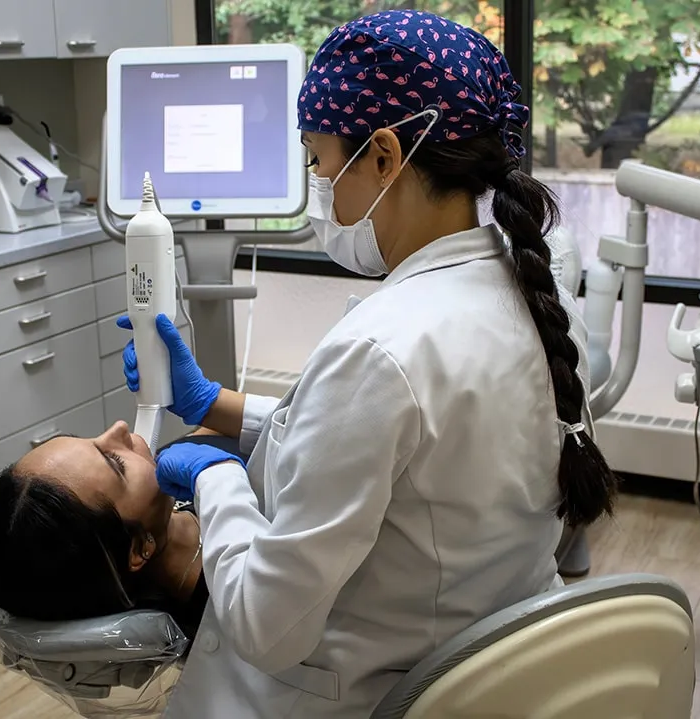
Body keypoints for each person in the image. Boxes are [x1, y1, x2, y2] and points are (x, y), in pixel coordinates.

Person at [120, 10, 619, 718]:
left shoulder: (383, 346)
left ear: (384, 155)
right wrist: (211, 405)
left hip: (376, 692)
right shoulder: (530, 291)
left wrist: (219, 478)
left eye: (319, 159)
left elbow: (268, 626)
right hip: (491, 670)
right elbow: (403, 449)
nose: (319, 183)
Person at [0, 427, 245, 639]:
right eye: (116, 463)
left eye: (91, 439)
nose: (120, 428)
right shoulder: (235, 597)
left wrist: (213, 403)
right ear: (138, 548)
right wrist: (222, 476)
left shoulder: (168, 481)